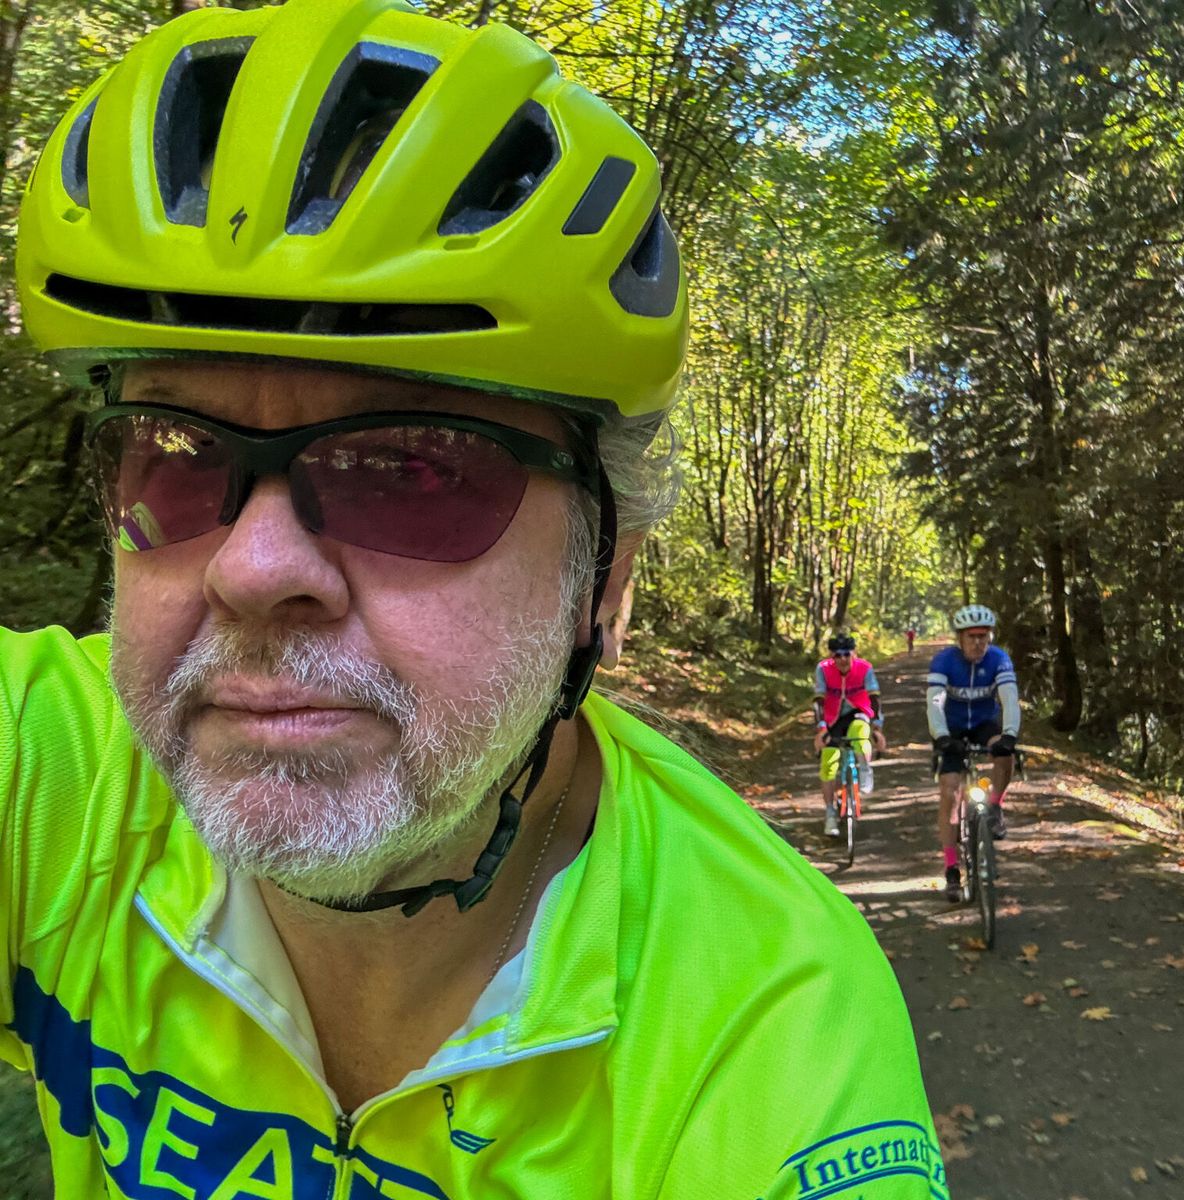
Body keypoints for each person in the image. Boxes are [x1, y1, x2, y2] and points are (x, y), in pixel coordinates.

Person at [0, 3, 945, 1195]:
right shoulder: (50, 776)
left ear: (605, 579)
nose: (251, 569)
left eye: (410, 471)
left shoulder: (773, 1029)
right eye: (175, 459)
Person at [927, 605, 1022, 901]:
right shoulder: (944, 661)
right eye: (972, 637)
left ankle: (995, 806)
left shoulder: (999, 659)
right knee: (950, 792)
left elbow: (1009, 699)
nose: (978, 642)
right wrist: (942, 737)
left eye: (984, 636)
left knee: (1005, 756)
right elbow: (935, 703)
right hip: (951, 729)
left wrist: (1009, 735)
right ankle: (951, 868)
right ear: (960, 638)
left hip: (983, 723)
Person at [812, 633, 887, 836]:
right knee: (828, 763)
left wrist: (877, 728)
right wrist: (821, 729)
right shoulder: (823, 669)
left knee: (860, 734)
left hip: (858, 712)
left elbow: (875, 698)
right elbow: (818, 701)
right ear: (832, 656)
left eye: (847, 654)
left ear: (854, 653)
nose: (843, 659)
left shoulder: (865, 668)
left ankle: (865, 769)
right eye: (838, 655)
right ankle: (830, 814)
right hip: (832, 718)